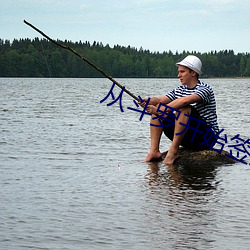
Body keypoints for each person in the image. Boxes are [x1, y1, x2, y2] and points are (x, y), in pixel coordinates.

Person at [139, 55, 219, 165]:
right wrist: (148, 101)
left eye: (182, 72)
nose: (178, 75)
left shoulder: (205, 89)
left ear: (193, 73)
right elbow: (161, 99)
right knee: (158, 108)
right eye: (179, 72)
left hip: (205, 137)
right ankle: (154, 151)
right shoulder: (180, 89)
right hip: (188, 136)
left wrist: (160, 110)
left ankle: (173, 151)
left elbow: (185, 101)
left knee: (183, 108)